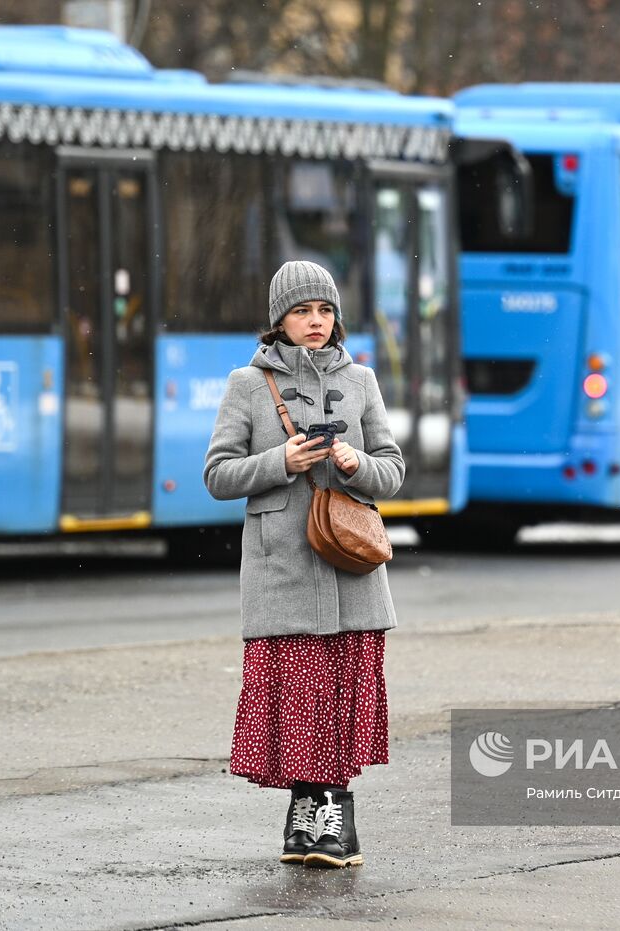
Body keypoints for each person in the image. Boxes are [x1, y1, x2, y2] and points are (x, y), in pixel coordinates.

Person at [203, 260, 404, 869]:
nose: (315, 322)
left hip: (351, 566)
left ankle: (336, 818)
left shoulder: (362, 380)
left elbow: (392, 469)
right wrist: (279, 461)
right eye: (301, 311)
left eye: (324, 311)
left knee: (341, 694)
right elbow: (216, 475)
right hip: (281, 570)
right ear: (278, 320)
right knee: (297, 698)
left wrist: (355, 463)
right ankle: (303, 814)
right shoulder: (246, 384)